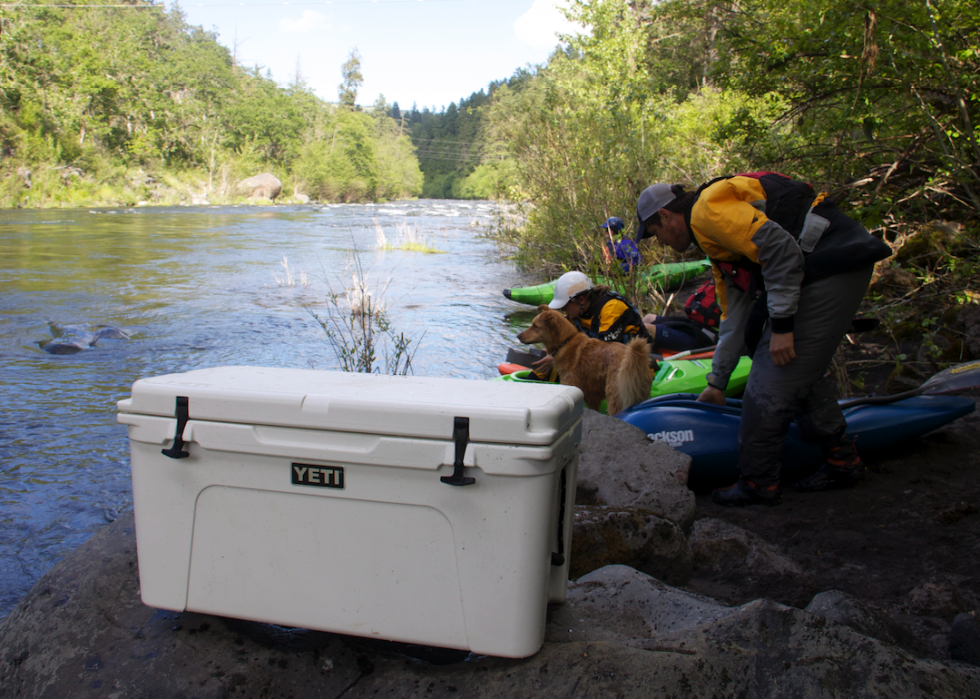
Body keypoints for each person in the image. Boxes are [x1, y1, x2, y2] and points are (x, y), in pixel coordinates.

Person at [635, 173, 891, 506]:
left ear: (666, 216)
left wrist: (783, 326)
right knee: (784, 366)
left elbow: (780, 249)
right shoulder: (714, 243)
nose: (660, 243)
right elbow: (734, 316)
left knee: (769, 379)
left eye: (655, 233)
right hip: (822, 267)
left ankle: (759, 482)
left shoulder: (707, 211)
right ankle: (842, 461)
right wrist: (717, 382)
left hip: (834, 263)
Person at [529, 271, 652, 379]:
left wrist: (558, 359)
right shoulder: (577, 313)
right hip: (601, 365)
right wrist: (554, 353)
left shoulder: (612, 308)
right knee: (540, 373)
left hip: (634, 366)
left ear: (581, 300)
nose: (563, 310)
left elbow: (602, 353)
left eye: (565, 306)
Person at [642, 279, 721, 354]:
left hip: (703, 338)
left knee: (647, 329)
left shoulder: (729, 295)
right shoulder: (718, 288)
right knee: (649, 317)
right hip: (696, 326)